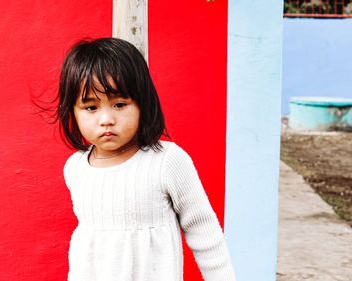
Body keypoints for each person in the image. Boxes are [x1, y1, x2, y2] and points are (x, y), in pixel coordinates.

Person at [56, 37, 236, 281]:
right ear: (72, 112)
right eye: (90, 108)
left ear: (143, 104)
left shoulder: (166, 161)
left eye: (119, 104)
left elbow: (203, 231)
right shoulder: (76, 168)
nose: (106, 119)